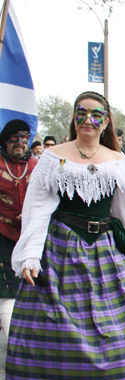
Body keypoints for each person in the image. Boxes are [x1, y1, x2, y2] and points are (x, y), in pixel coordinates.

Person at [5, 91, 125, 380]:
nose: (89, 120)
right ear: (74, 118)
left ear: (106, 121)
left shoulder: (116, 160)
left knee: (118, 329)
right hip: (63, 247)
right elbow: (37, 208)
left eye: (96, 115)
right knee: (68, 331)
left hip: (107, 247)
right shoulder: (53, 158)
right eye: (82, 113)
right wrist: (30, 254)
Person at [0, 119, 37, 342]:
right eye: (14, 138)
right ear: (5, 141)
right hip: (2, 235)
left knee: (35, 286)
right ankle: (14, 342)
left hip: (34, 237)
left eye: (24, 138)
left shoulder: (39, 165)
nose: (20, 143)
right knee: (7, 289)